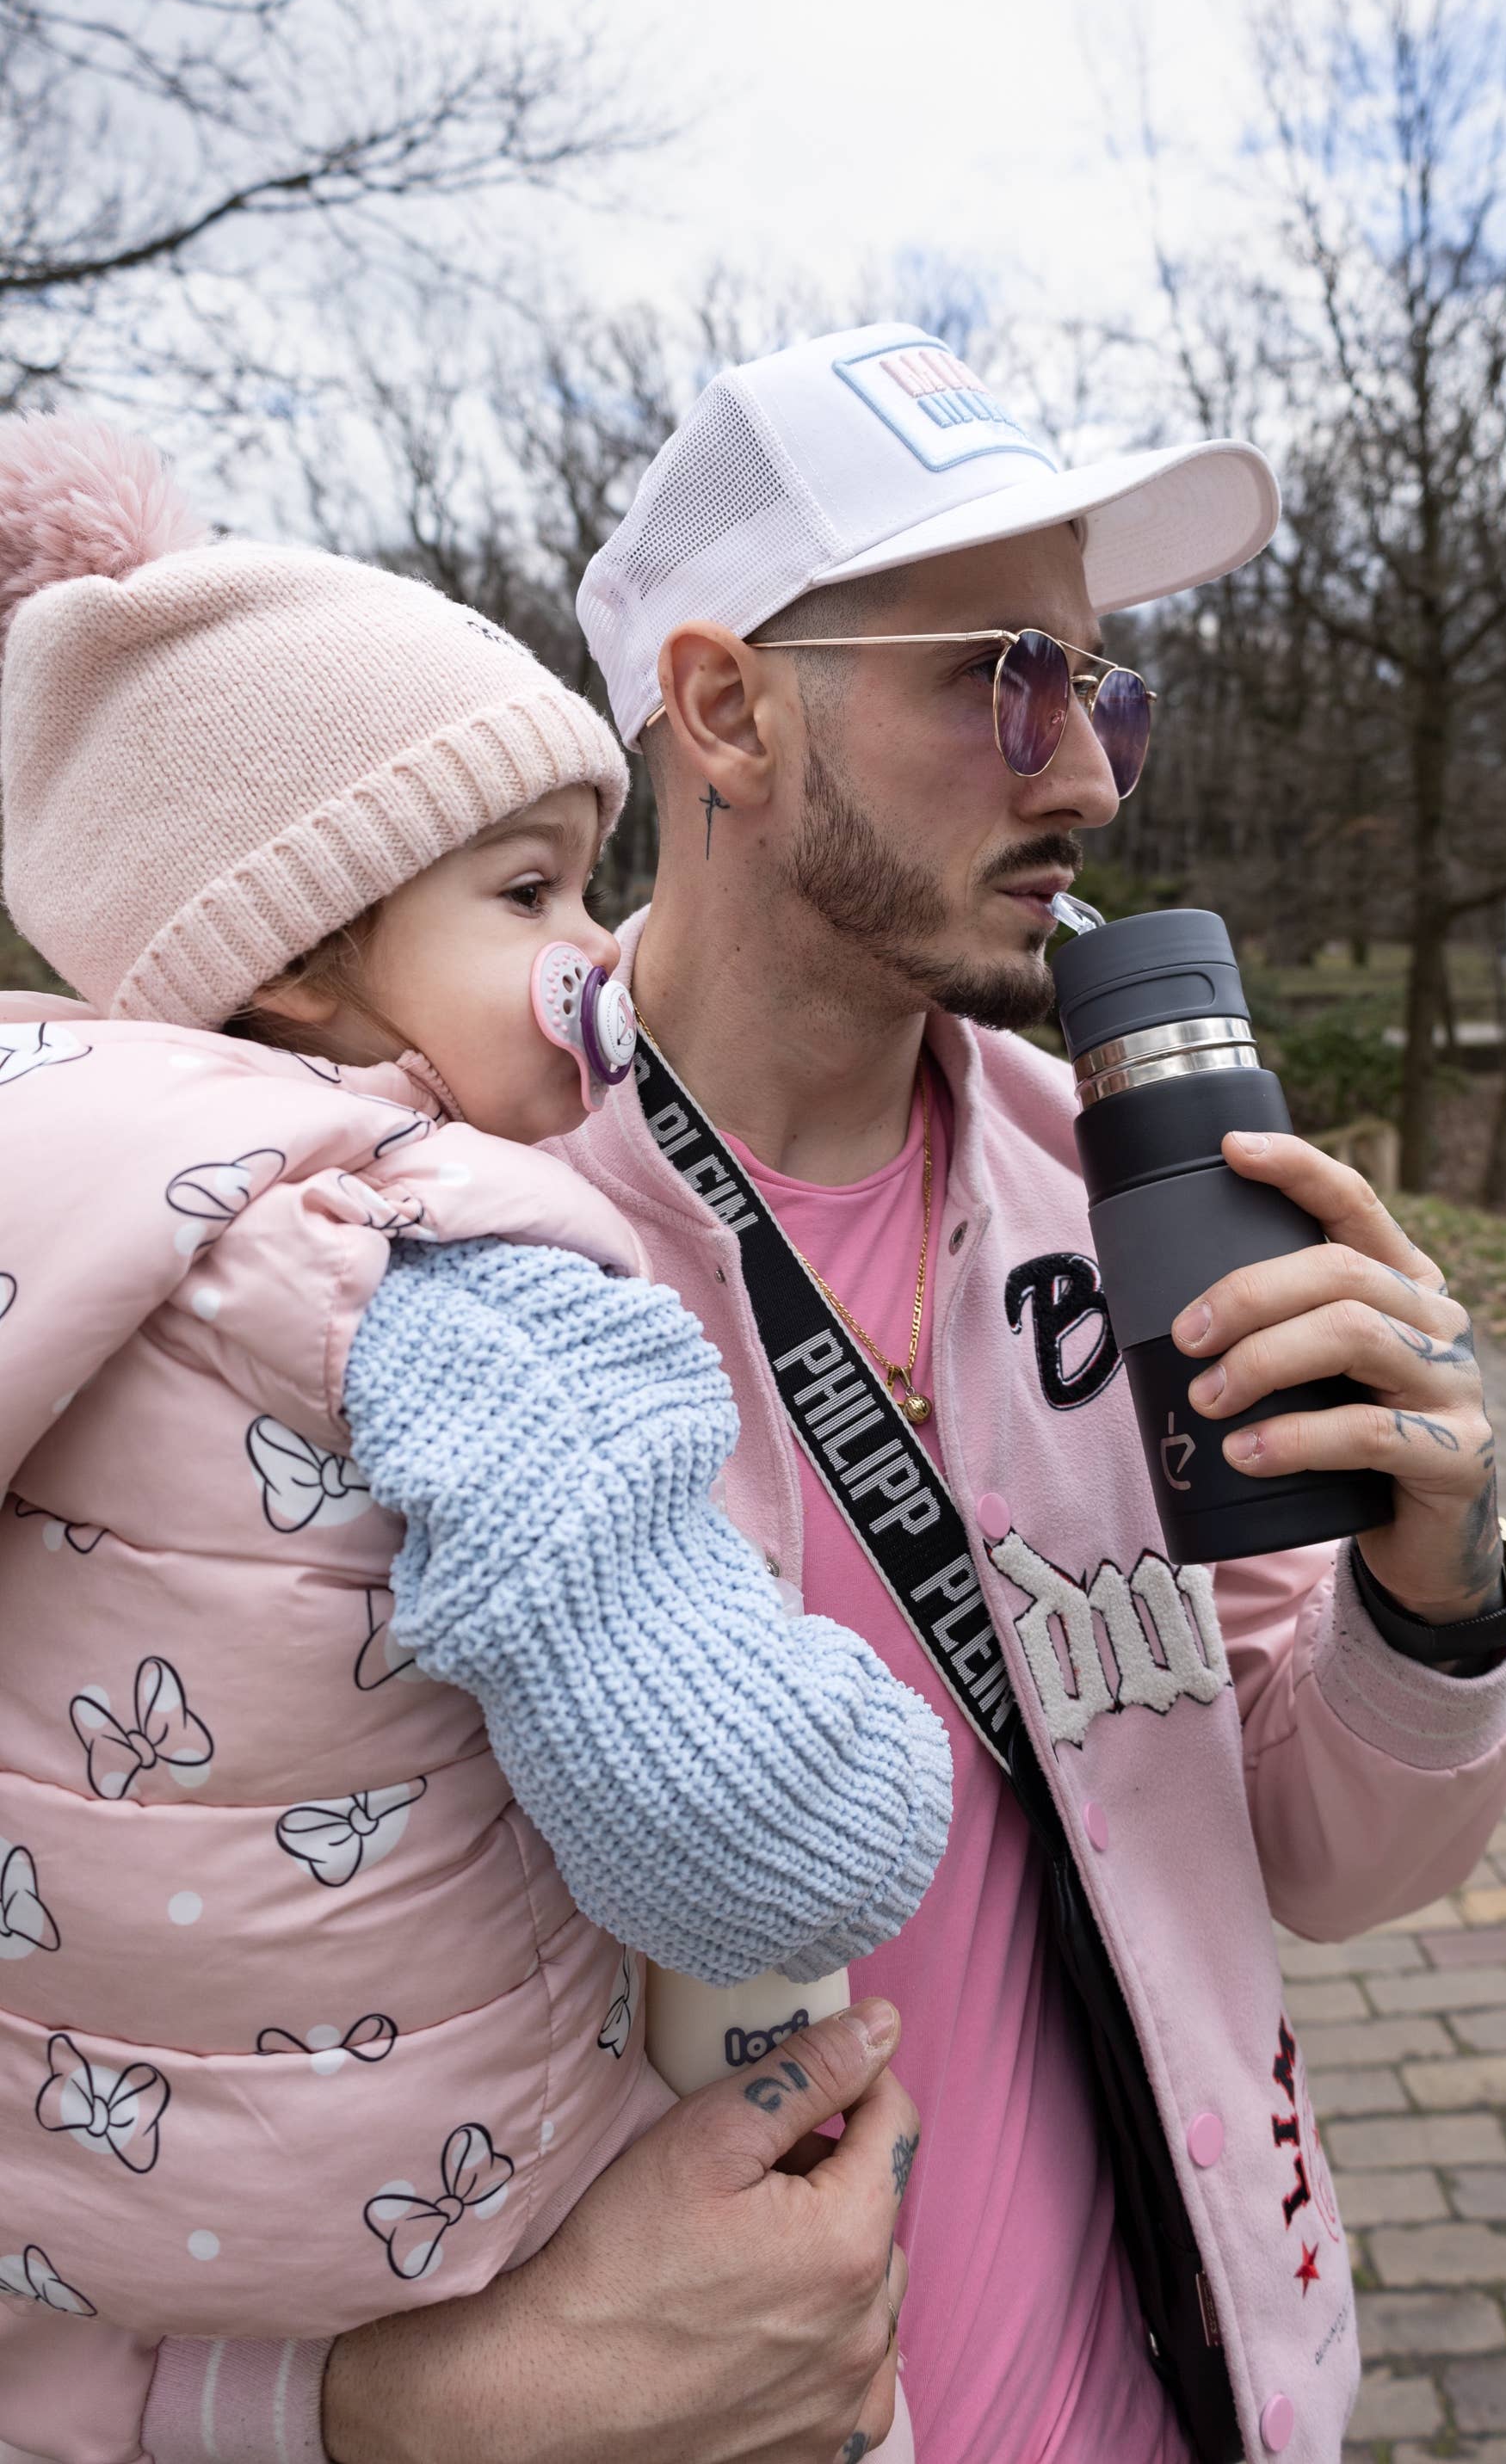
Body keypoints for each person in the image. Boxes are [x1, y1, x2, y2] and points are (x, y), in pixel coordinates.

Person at [93, 327, 1506, 2464]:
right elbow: (95, 2071)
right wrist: (377, 2413)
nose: (1092, 774)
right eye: (1003, 677)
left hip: (1200, 2386)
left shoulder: (1117, 1176)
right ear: (726, 708)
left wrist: (1437, 1591)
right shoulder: (379, 1258)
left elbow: (1311, 1854)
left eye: (1105, 686)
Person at [0, 417, 949, 2464]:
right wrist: (876, 1764)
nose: (594, 951)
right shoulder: (444, 1277)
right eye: (527, 887)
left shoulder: (64, 1210)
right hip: (460, 2224)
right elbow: (748, 1839)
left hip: (98, 2256)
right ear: (307, 967)